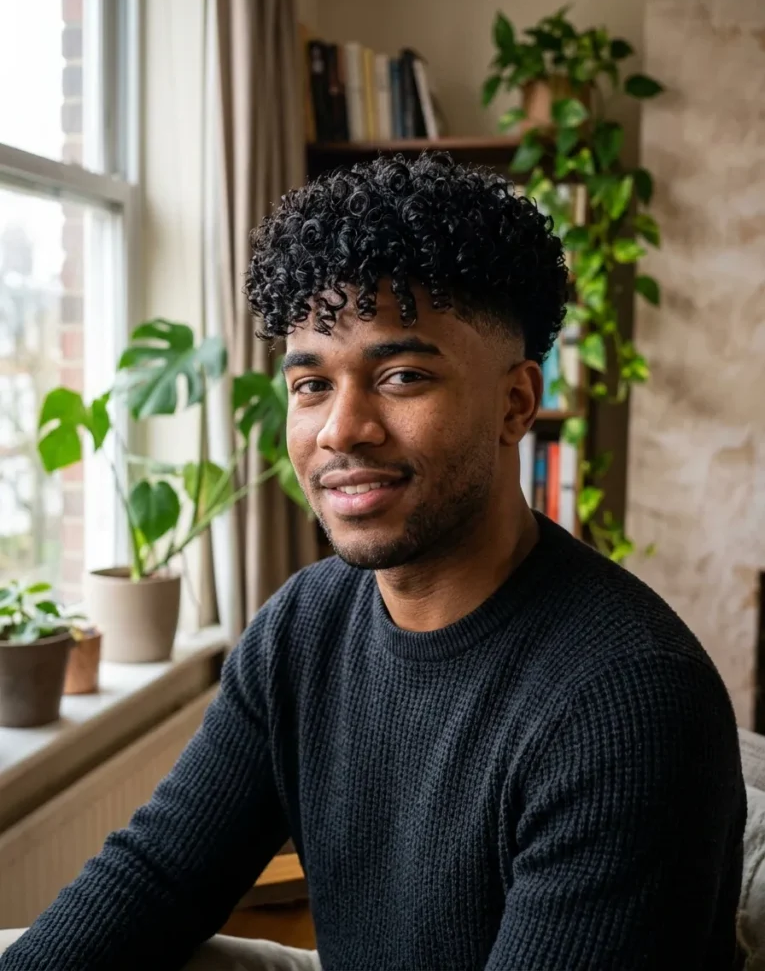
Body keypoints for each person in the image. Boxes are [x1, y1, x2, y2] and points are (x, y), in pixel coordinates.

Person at [0, 153, 745, 971]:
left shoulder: (624, 704)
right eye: (311, 385)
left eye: (401, 376)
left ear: (515, 403)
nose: (340, 429)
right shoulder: (304, 624)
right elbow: (159, 874)